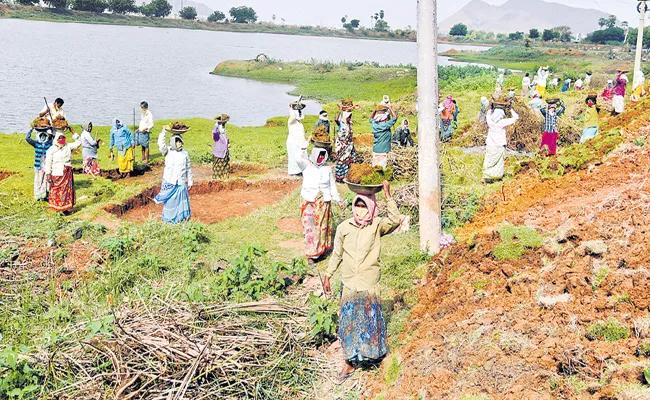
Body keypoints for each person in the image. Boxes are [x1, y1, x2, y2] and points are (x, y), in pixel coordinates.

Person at [323, 181, 401, 385]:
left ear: (372, 207)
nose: (360, 210)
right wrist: (328, 274)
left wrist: (388, 195)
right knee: (349, 321)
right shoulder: (343, 228)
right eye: (357, 205)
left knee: (369, 320)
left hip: (368, 281)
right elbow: (337, 253)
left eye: (364, 206)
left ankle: (374, 356)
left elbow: (395, 220)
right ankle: (349, 361)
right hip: (349, 281)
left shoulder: (377, 226)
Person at [296, 148, 344, 267]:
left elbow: (332, 185)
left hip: (323, 202)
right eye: (319, 156)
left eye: (323, 156)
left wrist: (338, 199)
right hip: (309, 201)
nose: (321, 158)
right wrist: (303, 148)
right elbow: (297, 159)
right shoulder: (306, 165)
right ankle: (311, 255)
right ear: (314, 155)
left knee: (322, 227)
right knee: (310, 227)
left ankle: (320, 251)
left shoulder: (327, 168)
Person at [154, 128, 193, 223]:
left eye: (180, 141)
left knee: (180, 203)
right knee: (170, 203)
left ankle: (180, 221)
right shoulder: (167, 151)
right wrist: (163, 131)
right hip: (169, 181)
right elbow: (160, 144)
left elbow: (188, 168)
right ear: (172, 142)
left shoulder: (185, 154)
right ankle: (169, 221)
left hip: (180, 183)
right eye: (176, 141)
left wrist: (190, 180)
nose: (179, 143)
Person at [44, 131, 81, 213]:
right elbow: (48, 162)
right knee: (56, 190)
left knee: (66, 191)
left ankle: (65, 209)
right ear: (56, 139)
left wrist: (73, 132)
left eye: (63, 138)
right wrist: (48, 174)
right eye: (60, 138)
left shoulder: (68, 146)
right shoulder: (51, 150)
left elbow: (79, 142)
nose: (62, 140)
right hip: (56, 172)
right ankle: (56, 208)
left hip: (67, 172)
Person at [482, 107, 519, 183]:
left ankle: (486, 177)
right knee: (498, 162)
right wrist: (511, 109)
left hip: (490, 145)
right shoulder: (502, 122)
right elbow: (516, 118)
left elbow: (488, 114)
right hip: (499, 145)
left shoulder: (490, 122)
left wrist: (491, 109)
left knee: (489, 160)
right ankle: (497, 176)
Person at [25, 127, 53, 201]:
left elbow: (54, 137)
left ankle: (45, 195)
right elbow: (27, 138)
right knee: (38, 180)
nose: (43, 137)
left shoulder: (49, 144)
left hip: (46, 165)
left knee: (46, 180)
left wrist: (52, 129)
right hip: (38, 166)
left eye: (44, 136)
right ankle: (38, 195)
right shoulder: (36, 143)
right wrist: (31, 129)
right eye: (41, 136)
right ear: (39, 136)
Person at [334, 104, 357, 183]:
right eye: (348, 117)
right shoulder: (341, 123)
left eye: (349, 117)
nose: (349, 118)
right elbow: (336, 119)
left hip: (349, 145)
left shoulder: (349, 124)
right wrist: (340, 110)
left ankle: (345, 177)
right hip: (341, 146)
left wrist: (352, 107)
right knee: (341, 160)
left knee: (347, 161)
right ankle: (339, 177)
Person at [287, 101, 308, 176]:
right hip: (293, 142)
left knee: (301, 156)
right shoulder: (291, 121)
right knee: (294, 157)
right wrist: (292, 108)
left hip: (300, 142)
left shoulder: (299, 123)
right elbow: (293, 116)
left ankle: (300, 171)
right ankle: (294, 172)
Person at [212, 114, 231, 180]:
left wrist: (228, 144)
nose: (223, 128)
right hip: (219, 155)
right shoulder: (217, 136)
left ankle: (225, 181)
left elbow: (227, 141)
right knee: (217, 170)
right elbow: (214, 132)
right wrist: (216, 124)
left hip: (225, 154)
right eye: (222, 127)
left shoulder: (224, 135)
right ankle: (217, 181)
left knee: (226, 168)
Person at [135, 101, 154, 165]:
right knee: (142, 144)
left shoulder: (149, 114)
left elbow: (151, 124)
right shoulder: (143, 114)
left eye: (142, 107)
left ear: (146, 107)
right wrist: (138, 129)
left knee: (146, 145)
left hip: (145, 132)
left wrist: (146, 129)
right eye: (141, 107)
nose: (141, 109)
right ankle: (143, 157)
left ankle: (147, 160)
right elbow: (142, 122)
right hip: (140, 131)